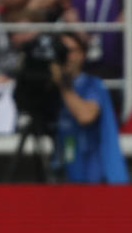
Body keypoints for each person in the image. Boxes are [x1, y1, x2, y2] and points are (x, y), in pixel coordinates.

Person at [51, 33, 128, 183]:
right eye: (62, 50)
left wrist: (63, 85)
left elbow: (86, 115)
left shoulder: (93, 84)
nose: (67, 56)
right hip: (66, 170)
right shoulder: (50, 87)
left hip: (97, 175)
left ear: (82, 54)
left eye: (71, 51)